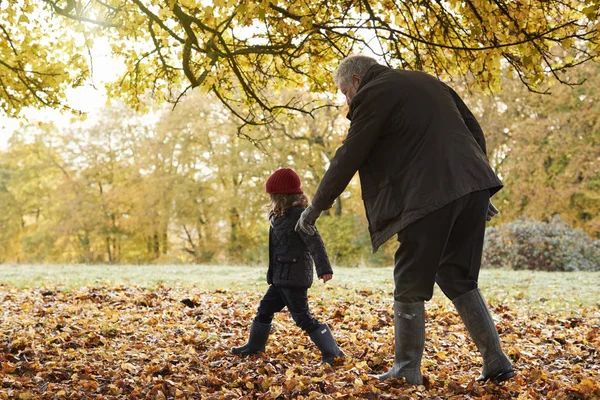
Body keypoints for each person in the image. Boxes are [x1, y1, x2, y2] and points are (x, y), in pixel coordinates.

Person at [296, 55, 514, 384]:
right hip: (473, 184)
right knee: (458, 276)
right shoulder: (429, 82)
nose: (346, 101)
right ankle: (496, 361)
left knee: (409, 279)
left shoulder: (373, 93)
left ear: (356, 80)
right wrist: (474, 187)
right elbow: (473, 132)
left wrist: (315, 207)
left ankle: (407, 368)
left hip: (428, 194)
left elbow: (349, 155)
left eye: (344, 92)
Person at [231, 168, 345, 364]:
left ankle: (333, 353)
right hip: (279, 278)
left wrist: (324, 268)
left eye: (274, 196)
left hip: (294, 277)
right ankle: (254, 346)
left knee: (303, 318)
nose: (271, 200)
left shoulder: (300, 215)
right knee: (264, 309)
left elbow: (315, 241)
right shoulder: (279, 215)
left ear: (282, 196)